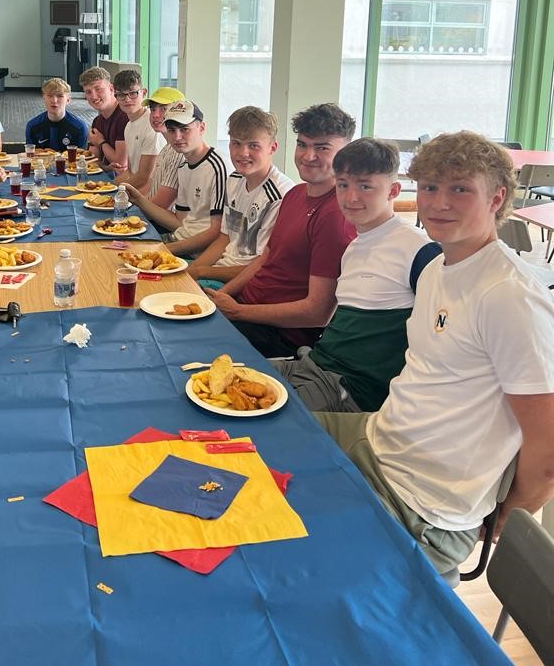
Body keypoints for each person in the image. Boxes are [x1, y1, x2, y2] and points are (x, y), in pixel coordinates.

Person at [315, 132, 554, 574]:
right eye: (429, 187)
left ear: (497, 198)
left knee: (296, 560)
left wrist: (504, 518)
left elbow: (548, 448)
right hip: (378, 439)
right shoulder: (437, 271)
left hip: (424, 503)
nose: (439, 203)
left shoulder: (509, 295)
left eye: (460, 189)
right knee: (253, 440)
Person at [277, 137, 440, 412]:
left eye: (365, 186)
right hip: (312, 365)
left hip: (350, 390)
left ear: (393, 191)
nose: (351, 197)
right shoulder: (354, 247)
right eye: (343, 185)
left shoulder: (420, 252)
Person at [207, 103, 357, 357]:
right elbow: (265, 258)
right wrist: (223, 295)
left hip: (278, 335)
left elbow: (318, 313)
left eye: (322, 148)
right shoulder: (296, 194)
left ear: (345, 153)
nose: (308, 156)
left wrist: (237, 311)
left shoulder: (335, 216)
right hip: (245, 309)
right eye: (302, 145)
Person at [188, 106, 294, 287]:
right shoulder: (234, 179)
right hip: (219, 269)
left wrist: (200, 272)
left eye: (253, 146)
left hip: (243, 284)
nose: (243, 153)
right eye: (236, 143)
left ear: (272, 148)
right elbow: (225, 238)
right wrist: (192, 270)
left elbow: (262, 266)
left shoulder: (281, 195)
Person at [126, 100, 227, 256]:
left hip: (196, 252)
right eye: (172, 130)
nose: (177, 137)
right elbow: (180, 222)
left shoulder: (217, 166)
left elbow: (216, 233)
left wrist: (162, 250)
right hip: (179, 239)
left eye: (184, 129)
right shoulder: (184, 167)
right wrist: (139, 199)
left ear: (202, 128)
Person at [113, 69, 165, 194]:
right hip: (135, 192)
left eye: (132, 93)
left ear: (144, 92)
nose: (127, 99)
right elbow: (130, 172)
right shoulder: (128, 125)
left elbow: (143, 178)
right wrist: (107, 186)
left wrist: (112, 191)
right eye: (121, 95)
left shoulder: (152, 126)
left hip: (151, 197)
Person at [144, 86, 187, 209]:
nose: (155, 115)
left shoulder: (179, 152)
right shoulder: (166, 148)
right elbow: (151, 191)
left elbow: (161, 205)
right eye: (152, 109)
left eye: (163, 109)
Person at [80, 66, 128, 171]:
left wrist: (101, 142)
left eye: (98, 89)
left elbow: (120, 163)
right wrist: (106, 168)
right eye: (88, 92)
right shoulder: (97, 121)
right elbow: (93, 160)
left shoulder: (124, 116)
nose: (94, 96)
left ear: (111, 89)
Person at [25, 77, 89, 151]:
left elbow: (81, 156)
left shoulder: (80, 127)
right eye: (49, 95)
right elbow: (30, 155)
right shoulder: (32, 126)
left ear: (68, 100)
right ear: (44, 98)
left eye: (60, 96)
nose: (54, 101)